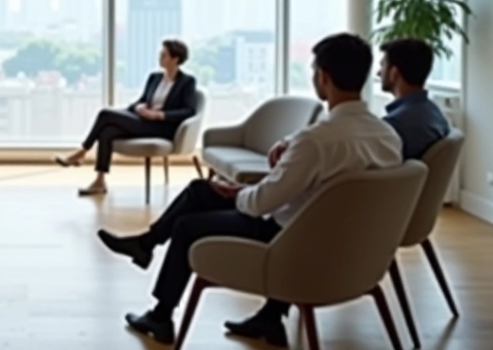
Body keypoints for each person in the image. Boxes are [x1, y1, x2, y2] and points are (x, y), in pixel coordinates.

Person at [95, 33, 402, 345]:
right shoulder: (388, 137)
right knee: (201, 190)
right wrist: (259, 177)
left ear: (322, 76)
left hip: (292, 242)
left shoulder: (318, 142)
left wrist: (240, 192)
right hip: (351, 246)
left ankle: (160, 316)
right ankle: (150, 245)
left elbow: (260, 206)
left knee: (188, 227)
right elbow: (318, 191)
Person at [222, 37, 451, 347]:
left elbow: (348, 159)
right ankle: (271, 315)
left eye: (383, 67)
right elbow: (354, 141)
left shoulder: (398, 127)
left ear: (395, 73)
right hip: (382, 217)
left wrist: (298, 156)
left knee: (286, 204)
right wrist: (297, 144)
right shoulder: (424, 117)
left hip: (357, 223)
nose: (379, 73)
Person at [53, 39, 198, 196]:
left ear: (175, 59)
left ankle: (81, 152)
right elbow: (142, 99)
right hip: (143, 121)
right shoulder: (154, 78)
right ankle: (99, 181)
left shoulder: (187, 82)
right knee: (106, 132)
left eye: (164, 55)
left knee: (105, 114)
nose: (160, 57)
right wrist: (138, 107)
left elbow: (189, 111)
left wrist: (158, 115)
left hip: (161, 128)